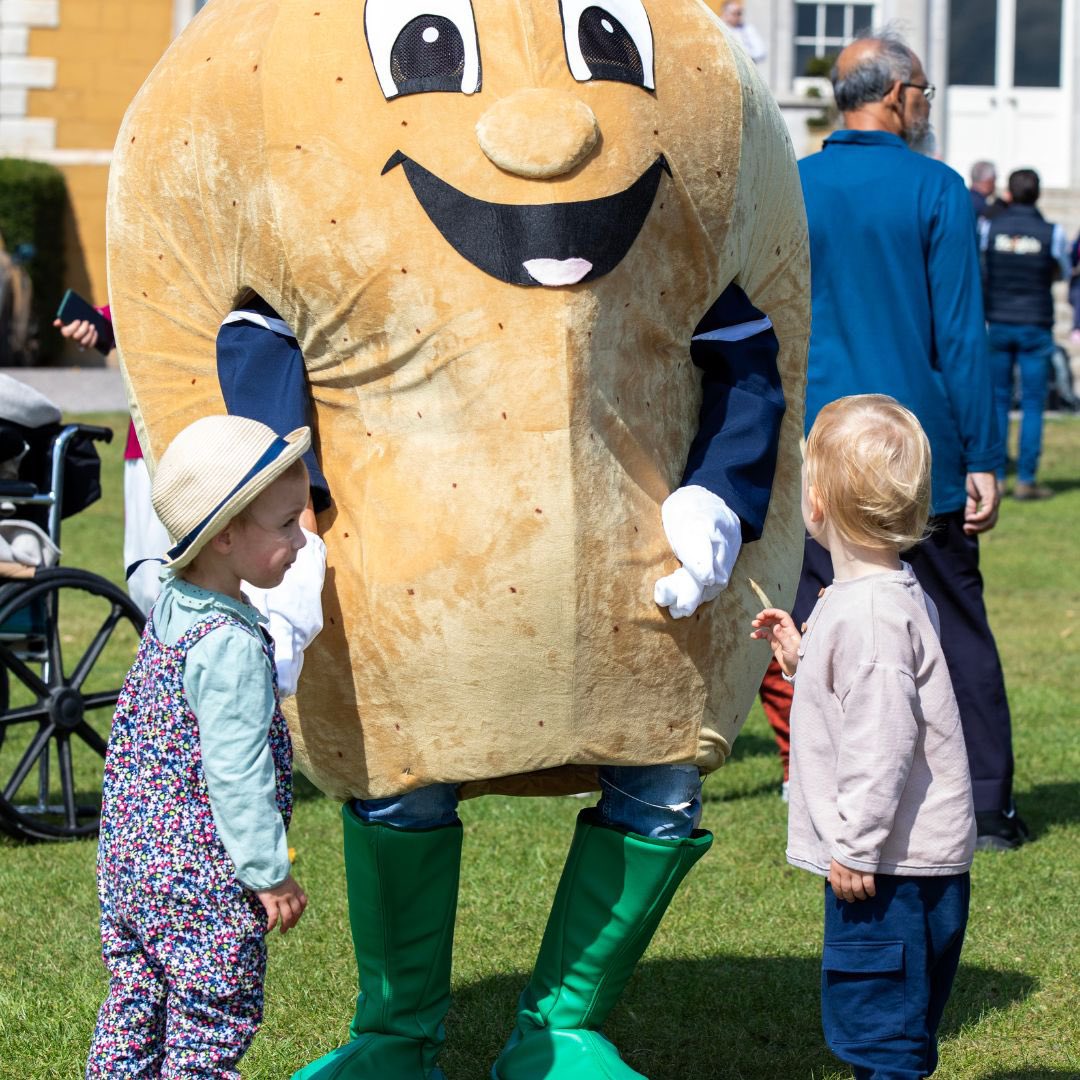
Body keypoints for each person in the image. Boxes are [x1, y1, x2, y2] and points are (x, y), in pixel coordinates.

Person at [791, 28, 1026, 851]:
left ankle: (832, 803)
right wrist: (985, 458)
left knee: (822, 631)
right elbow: (962, 336)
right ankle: (987, 806)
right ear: (896, 96)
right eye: (923, 90)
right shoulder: (937, 186)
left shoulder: (793, 185)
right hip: (917, 451)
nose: (925, 104)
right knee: (953, 625)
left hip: (822, 449)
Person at [752, 394, 975, 1080]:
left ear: (814, 503)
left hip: (888, 868)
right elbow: (862, 689)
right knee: (889, 1023)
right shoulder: (875, 597)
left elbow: (882, 741)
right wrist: (801, 653)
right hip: (901, 862)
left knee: (880, 1033)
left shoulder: (871, 616)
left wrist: (855, 847)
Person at [86, 415, 311, 1077]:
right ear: (224, 537)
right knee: (210, 1025)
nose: (301, 541)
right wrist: (269, 872)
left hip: (129, 866)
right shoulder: (231, 646)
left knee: (136, 1008)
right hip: (199, 884)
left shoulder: (174, 604)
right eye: (285, 524)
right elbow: (236, 772)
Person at [979, 168, 1071, 501]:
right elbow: (1059, 270)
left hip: (999, 323)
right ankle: (1027, 479)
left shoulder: (991, 228)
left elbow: (984, 266)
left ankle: (1000, 476)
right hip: (1035, 323)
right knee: (1033, 402)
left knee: (999, 401)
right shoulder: (1051, 231)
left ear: (1009, 193)